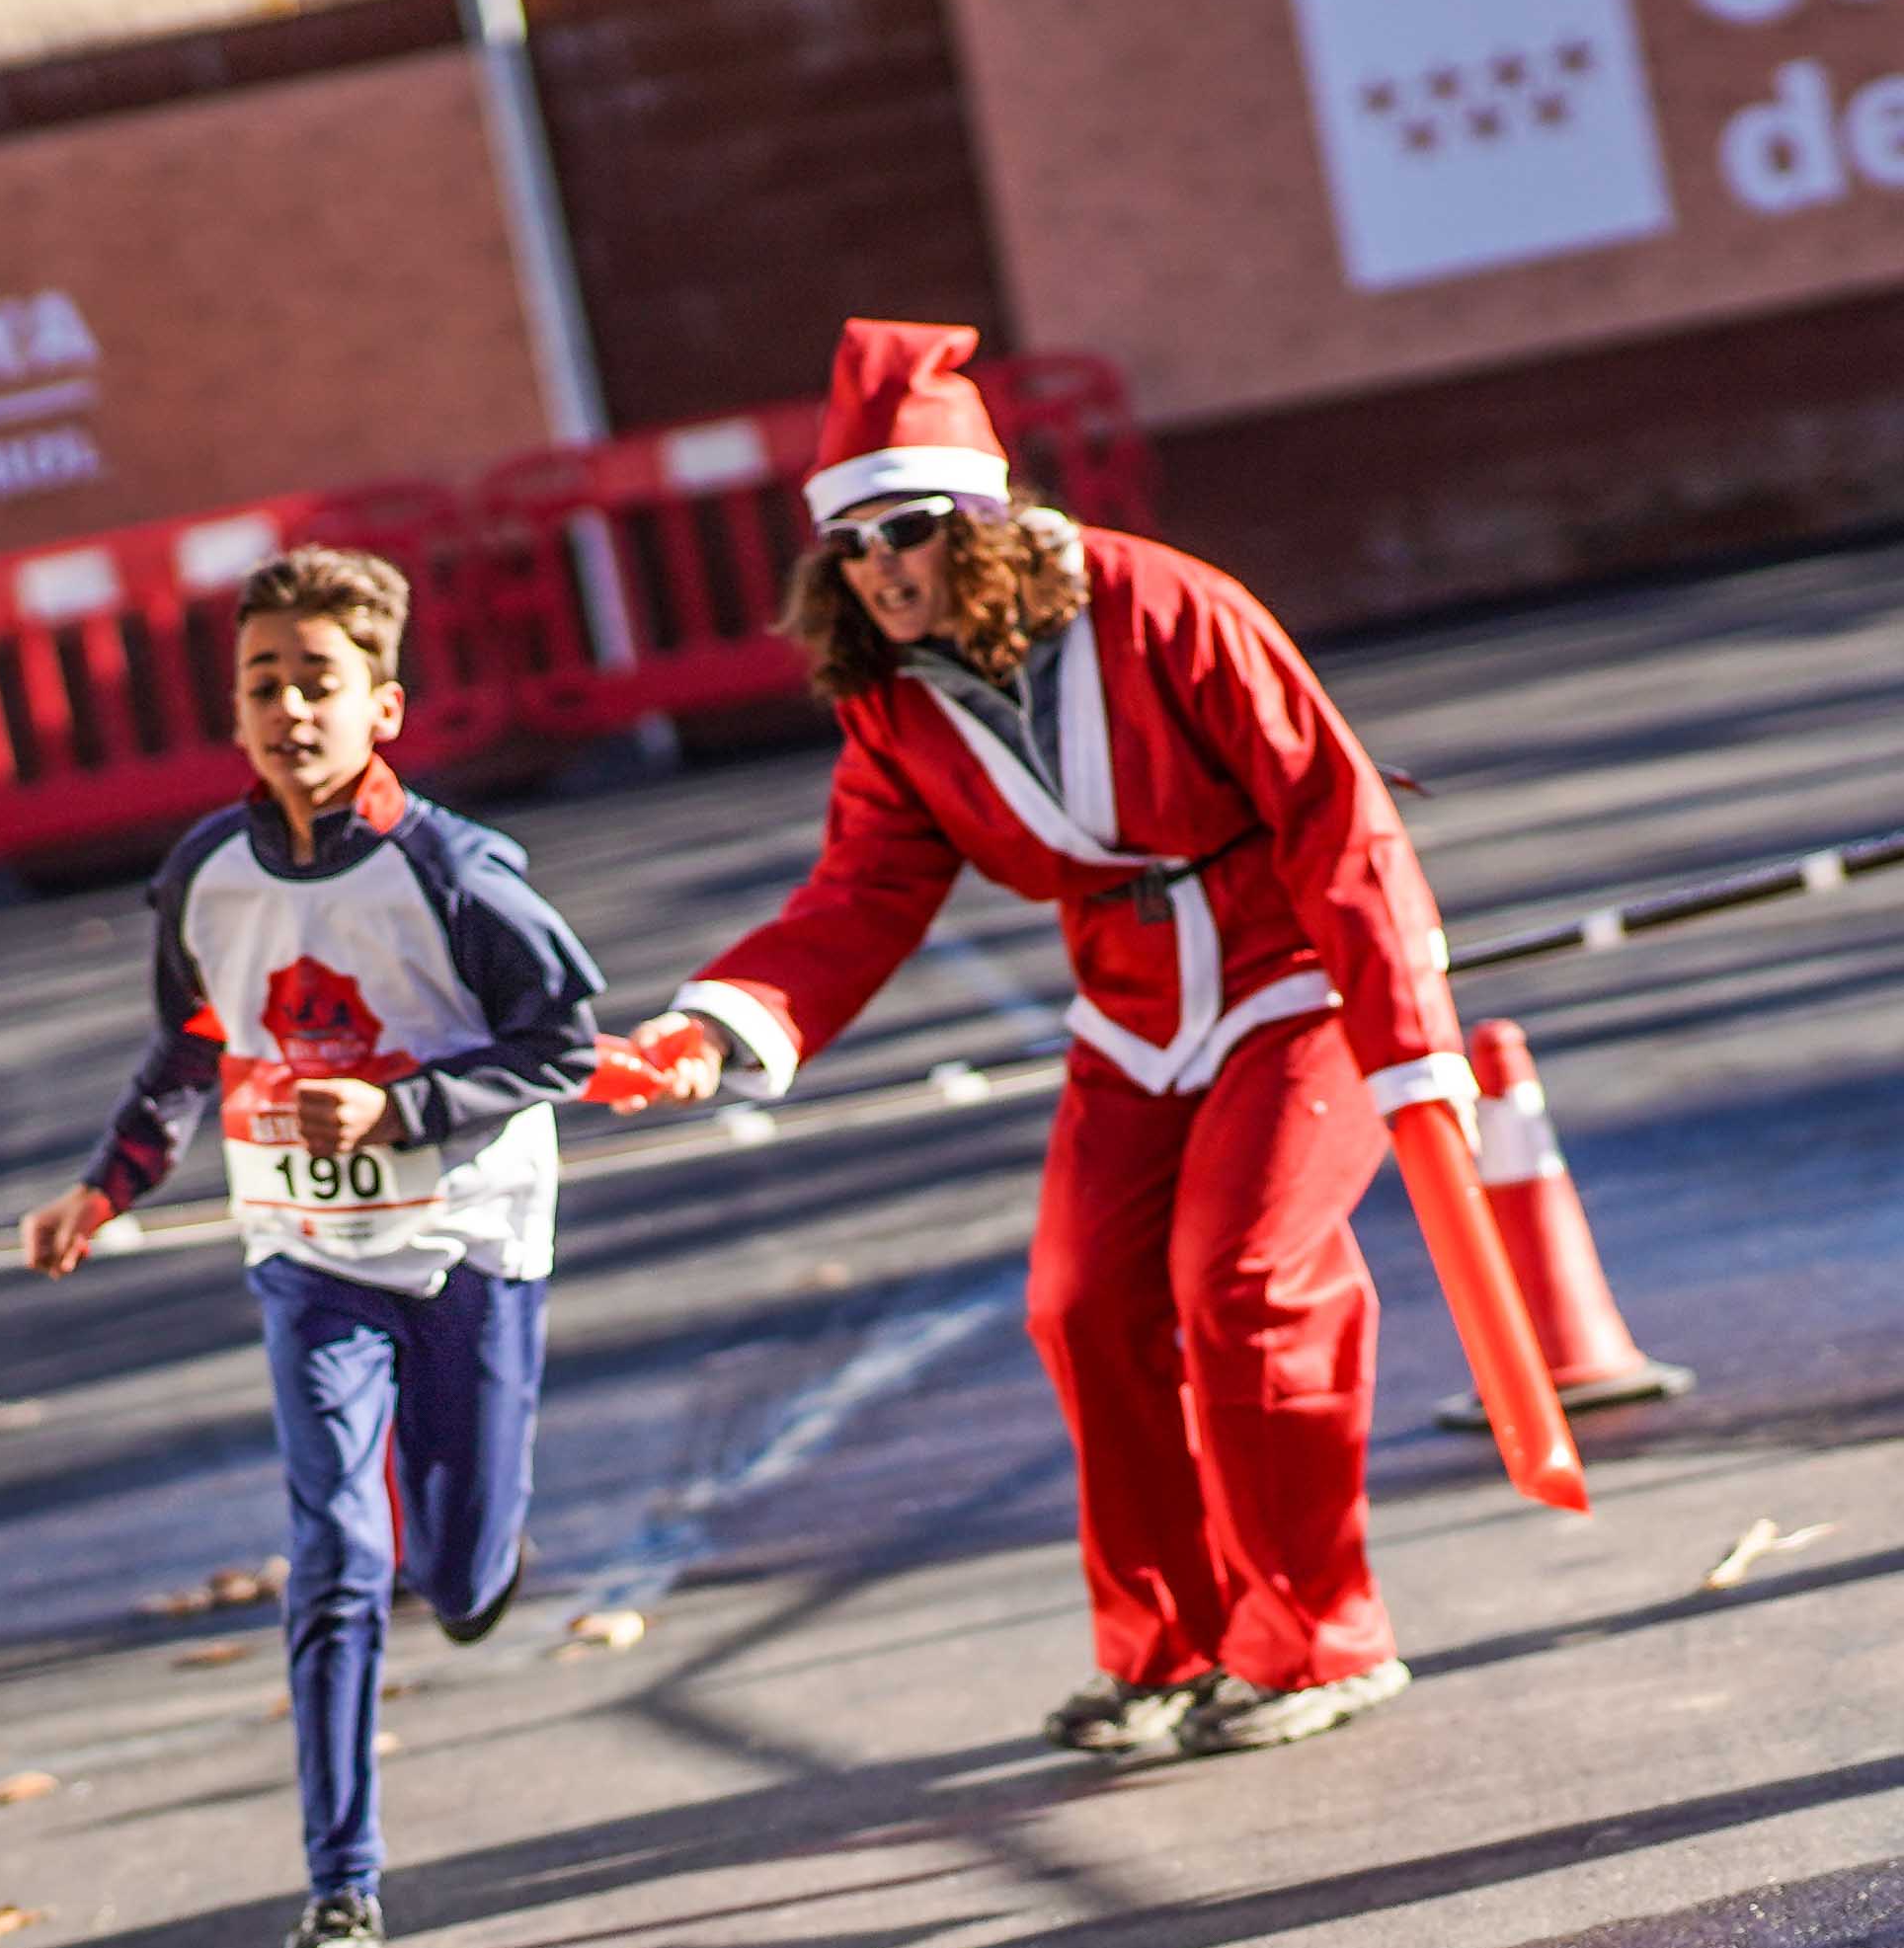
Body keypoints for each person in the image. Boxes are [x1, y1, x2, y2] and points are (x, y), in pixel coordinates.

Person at [595, 322, 1468, 1761]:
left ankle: (1318, 1637)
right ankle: (1171, 1651)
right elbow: (863, 892)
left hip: (1294, 973)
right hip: (1131, 1007)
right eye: (854, 548)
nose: (883, 570)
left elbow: (1329, 808)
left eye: (911, 532)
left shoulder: (1164, 604)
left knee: (1240, 1279)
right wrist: (711, 1026)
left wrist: (1404, 1031)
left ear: (983, 523)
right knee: (1080, 1307)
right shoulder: (891, 702)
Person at [22, 544, 606, 1948]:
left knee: (456, 1576)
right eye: (263, 683)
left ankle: (474, 1555)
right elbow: (190, 1049)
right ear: (236, 711)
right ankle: (341, 1903)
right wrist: (107, 1183)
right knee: (334, 1552)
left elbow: (568, 1044)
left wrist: (407, 1108)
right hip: (304, 1253)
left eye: (320, 682)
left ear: (384, 706)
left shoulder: (456, 873)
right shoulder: (205, 874)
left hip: (468, 1239)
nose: (291, 707)